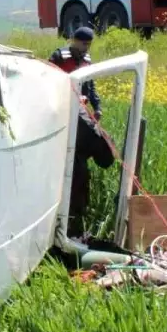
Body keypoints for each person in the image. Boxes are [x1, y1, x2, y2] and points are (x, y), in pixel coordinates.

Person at [48, 25, 114, 237]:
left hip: (81, 112)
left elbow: (91, 88)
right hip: (63, 112)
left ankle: (79, 213)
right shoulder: (59, 56)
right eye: (83, 43)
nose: (86, 47)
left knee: (80, 167)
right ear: (74, 40)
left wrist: (98, 107)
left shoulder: (87, 61)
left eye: (89, 44)